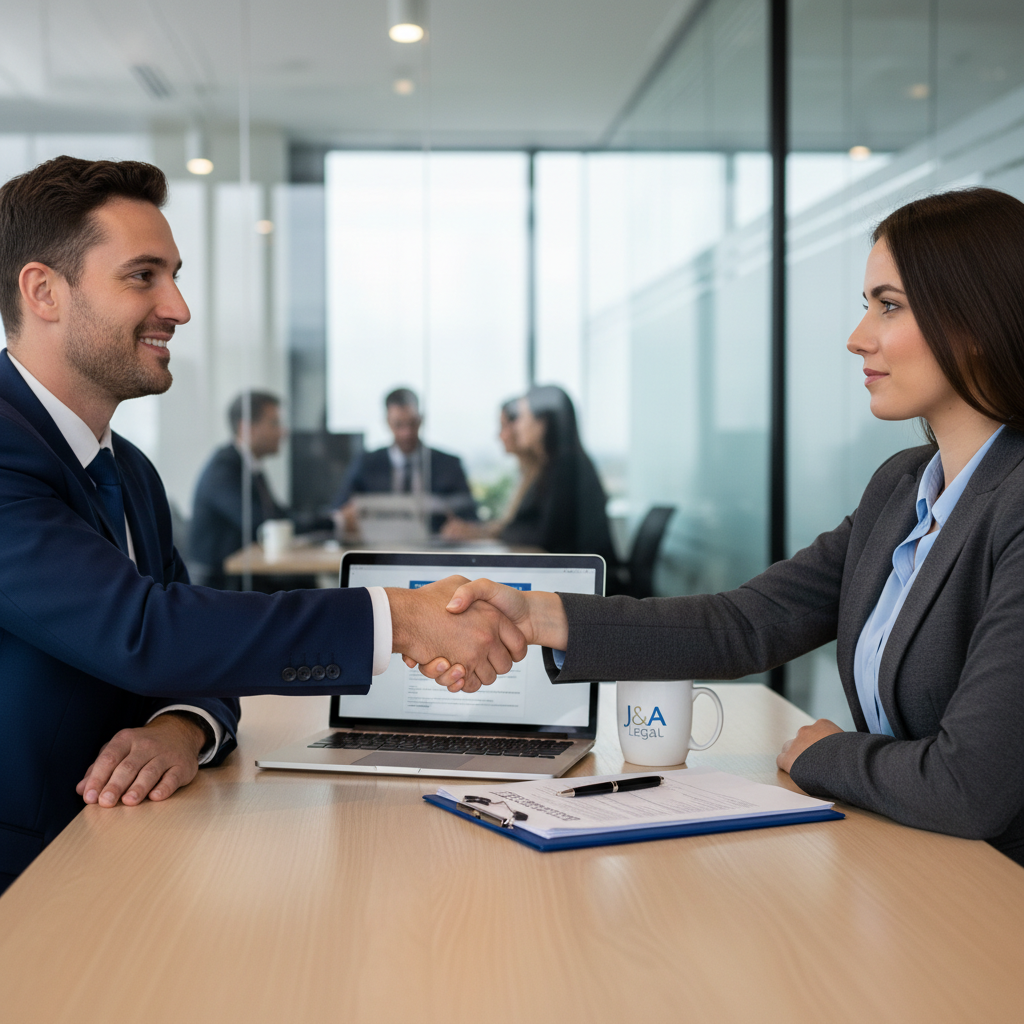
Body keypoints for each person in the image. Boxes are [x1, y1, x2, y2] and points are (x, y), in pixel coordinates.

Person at [423, 188, 1024, 866]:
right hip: (912, 864)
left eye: (889, 305)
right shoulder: (901, 485)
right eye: (866, 306)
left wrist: (827, 754)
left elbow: (970, 786)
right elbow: (749, 622)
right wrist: (534, 617)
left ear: (974, 319)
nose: (858, 337)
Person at [0, 156, 524, 893]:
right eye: (142, 276)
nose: (178, 307)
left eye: (175, 275)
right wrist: (397, 619)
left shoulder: (133, 474)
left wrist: (181, 727)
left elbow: (195, 647)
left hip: (124, 848)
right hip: (27, 872)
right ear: (44, 291)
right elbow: (147, 631)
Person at [493, 385, 617, 568]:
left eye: (522, 417)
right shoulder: (556, 465)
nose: (517, 426)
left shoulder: (565, 467)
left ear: (543, 422)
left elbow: (545, 537)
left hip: (586, 583)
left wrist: (506, 531)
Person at [333, 387, 477, 533]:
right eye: (399, 425)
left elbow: (471, 516)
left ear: (421, 420)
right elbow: (338, 511)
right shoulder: (366, 464)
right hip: (380, 548)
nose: (406, 433)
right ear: (388, 422)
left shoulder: (449, 465)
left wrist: (462, 527)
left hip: (435, 549)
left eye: (412, 423)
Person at [190, 390, 288, 589]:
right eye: (274, 423)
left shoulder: (251, 468)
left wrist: (328, 521)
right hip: (220, 587)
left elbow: (277, 515)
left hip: (243, 578)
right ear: (246, 428)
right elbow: (261, 523)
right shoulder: (224, 469)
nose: (283, 432)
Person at [442, 396, 542, 541]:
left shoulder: (541, 476)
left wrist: (477, 532)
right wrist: (475, 530)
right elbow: (511, 526)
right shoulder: (526, 472)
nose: (499, 436)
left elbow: (520, 531)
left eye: (503, 426)